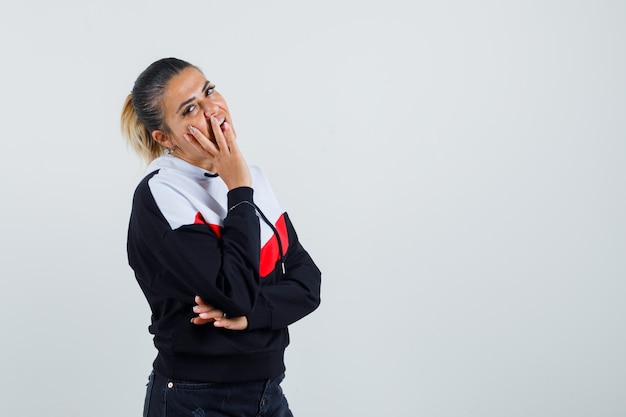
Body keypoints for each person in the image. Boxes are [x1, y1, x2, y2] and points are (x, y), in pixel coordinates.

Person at [120, 57, 322, 417]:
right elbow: (235, 293)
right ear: (164, 137)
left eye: (209, 90)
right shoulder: (162, 194)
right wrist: (239, 190)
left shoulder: (251, 177)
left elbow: (308, 283)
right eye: (190, 109)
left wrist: (249, 316)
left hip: (269, 393)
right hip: (196, 398)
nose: (213, 110)